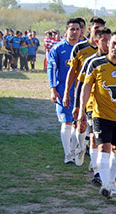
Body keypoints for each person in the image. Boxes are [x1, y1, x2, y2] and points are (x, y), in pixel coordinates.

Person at [79, 30, 116, 199]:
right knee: (103, 147)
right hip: (100, 115)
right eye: (113, 43)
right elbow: (85, 88)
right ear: (108, 44)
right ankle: (105, 184)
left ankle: (111, 181)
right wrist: (82, 110)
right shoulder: (96, 64)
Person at [63, 16, 106, 167]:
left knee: (94, 131)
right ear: (89, 29)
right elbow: (72, 72)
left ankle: (93, 163)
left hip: (101, 98)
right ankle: (81, 147)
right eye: (96, 29)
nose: (99, 33)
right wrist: (67, 93)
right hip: (83, 93)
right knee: (80, 126)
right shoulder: (80, 48)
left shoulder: (107, 52)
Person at [75, 27, 112, 186]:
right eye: (105, 40)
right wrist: (79, 107)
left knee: (107, 142)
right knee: (94, 138)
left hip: (112, 108)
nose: (108, 43)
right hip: (93, 106)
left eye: (110, 40)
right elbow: (81, 84)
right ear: (97, 42)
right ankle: (97, 171)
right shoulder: (91, 61)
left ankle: (100, 167)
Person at [47, 18, 81, 164]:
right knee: (66, 122)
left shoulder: (83, 49)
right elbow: (51, 69)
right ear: (66, 31)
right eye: (71, 29)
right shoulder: (57, 48)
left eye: (77, 29)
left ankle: (73, 150)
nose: (74, 32)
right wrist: (53, 89)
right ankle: (68, 154)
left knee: (77, 122)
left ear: (81, 31)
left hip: (80, 91)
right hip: (63, 90)